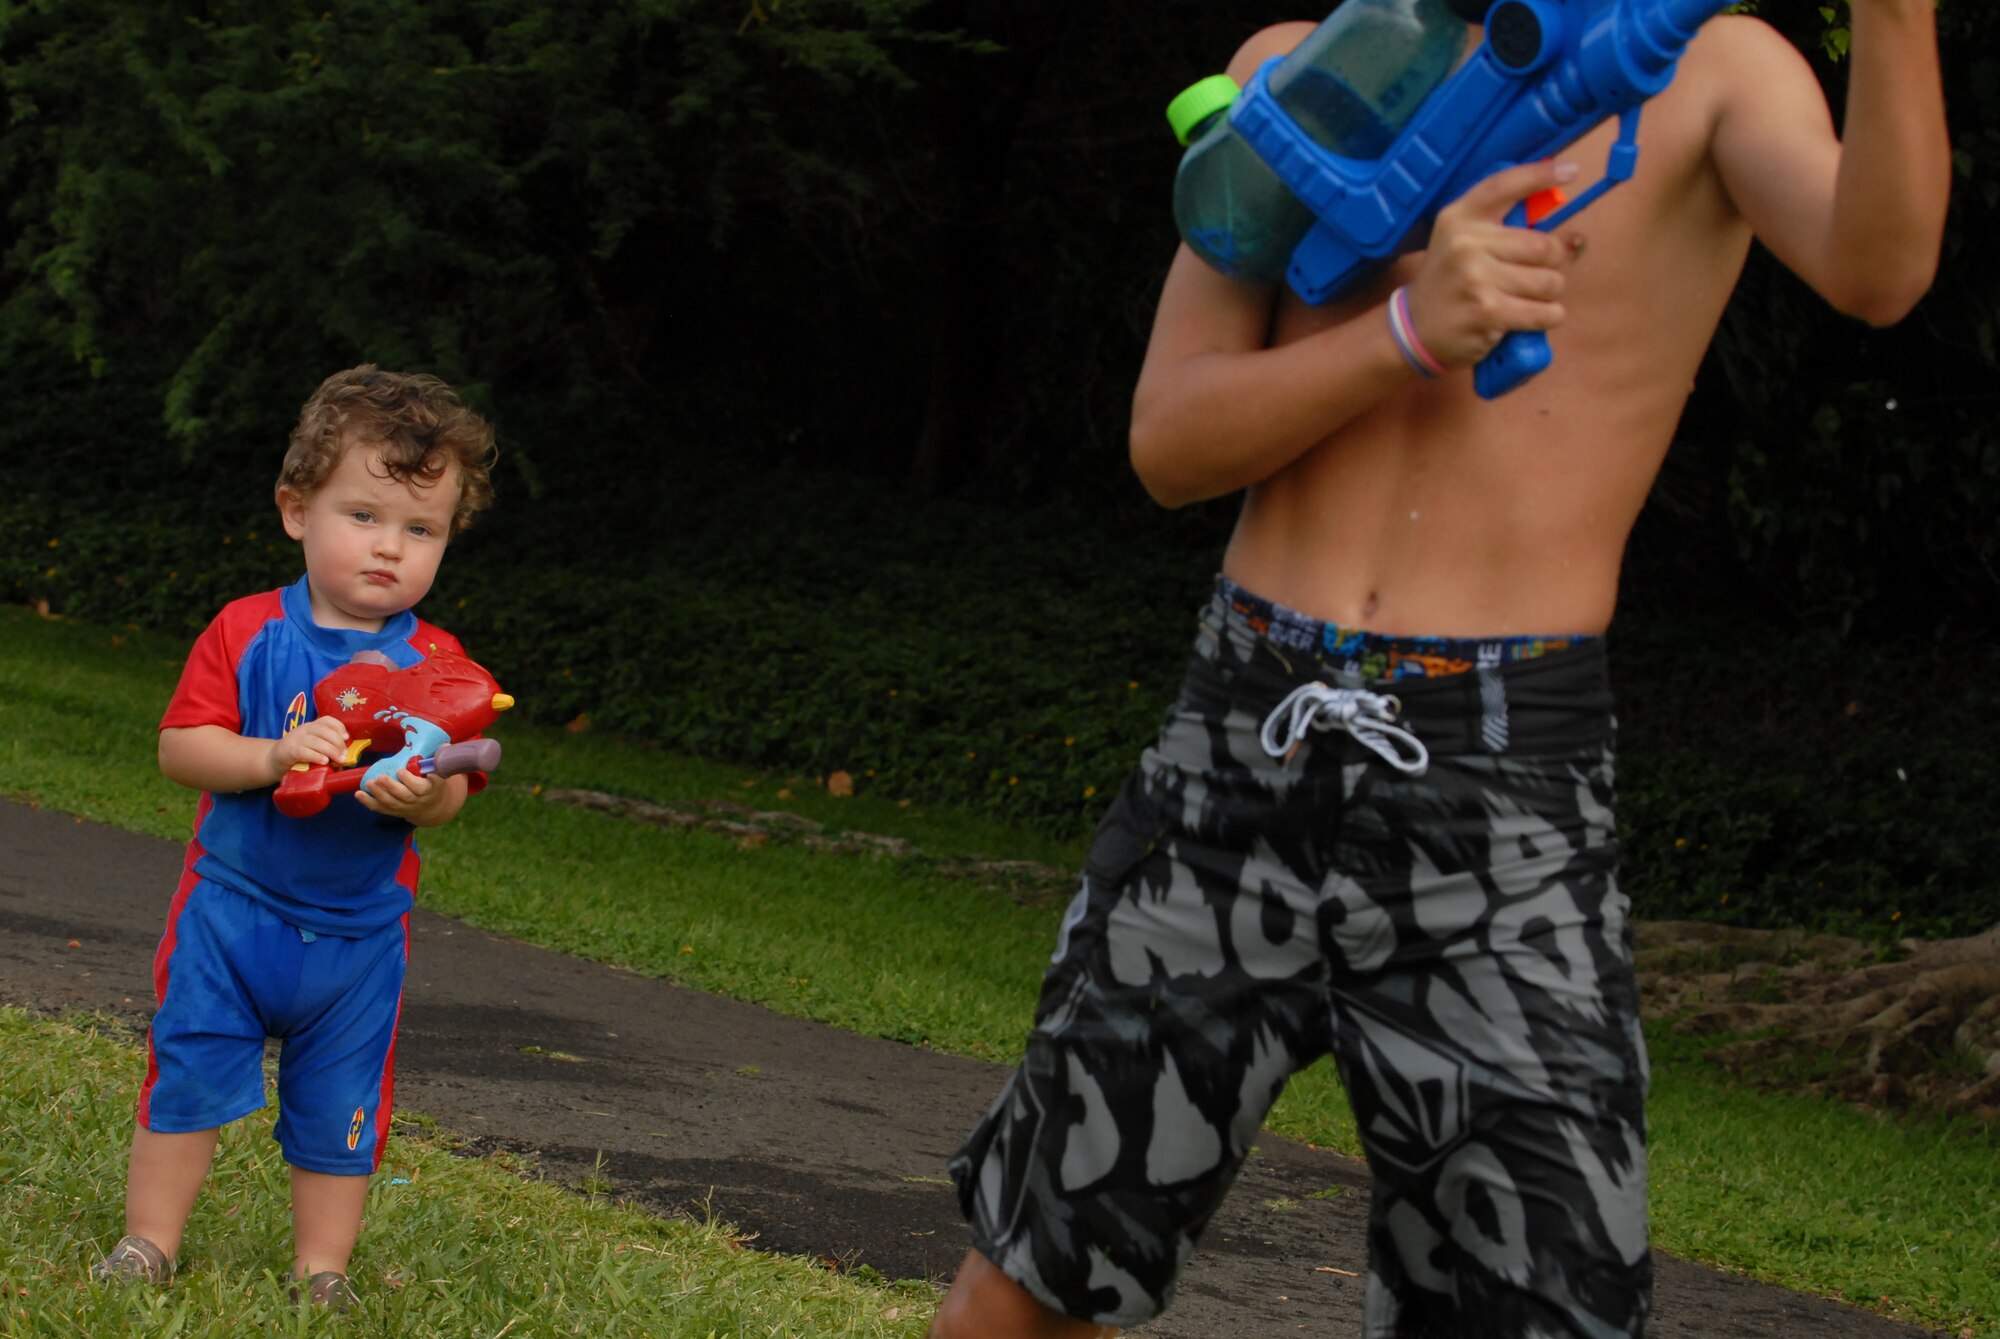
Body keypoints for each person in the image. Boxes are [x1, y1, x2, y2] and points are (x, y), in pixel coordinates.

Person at [931, 3, 1948, 1336]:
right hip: (1241, 742)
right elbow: (1172, 436)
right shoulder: (1308, 65)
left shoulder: (1714, 74)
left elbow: (1879, 266)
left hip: (1500, 778)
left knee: (1538, 1308)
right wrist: (1402, 328)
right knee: (1030, 1282)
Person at [92, 366, 500, 1309]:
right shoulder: (247, 630)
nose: (390, 548)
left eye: (421, 529)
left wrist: (417, 798)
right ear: (294, 510)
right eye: (363, 515)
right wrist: (273, 756)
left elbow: (454, 793)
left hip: (358, 943)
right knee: (186, 1073)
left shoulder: (438, 668)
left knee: (343, 1111)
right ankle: (148, 1242)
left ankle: (323, 1271)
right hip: (231, 917)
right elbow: (180, 748)